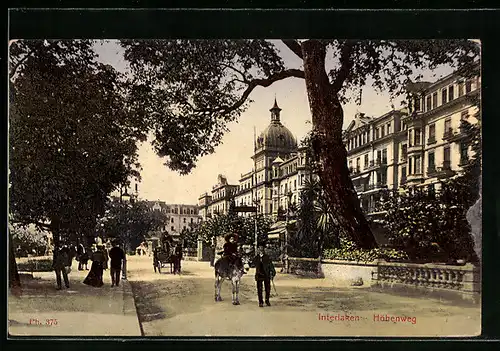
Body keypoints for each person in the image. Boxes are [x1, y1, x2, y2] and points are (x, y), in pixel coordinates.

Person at [254, 243, 276, 307]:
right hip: (259, 274)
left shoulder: (267, 257)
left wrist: (273, 273)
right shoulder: (256, 257)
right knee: (259, 289)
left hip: (266, 274)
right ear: (258, 249)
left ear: (264, 249)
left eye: (262, 248)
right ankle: (260, 301)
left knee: (267, 288)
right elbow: (253, 264)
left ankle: (267, 300)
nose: (261, 249)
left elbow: (271, 265)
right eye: (259, 248)